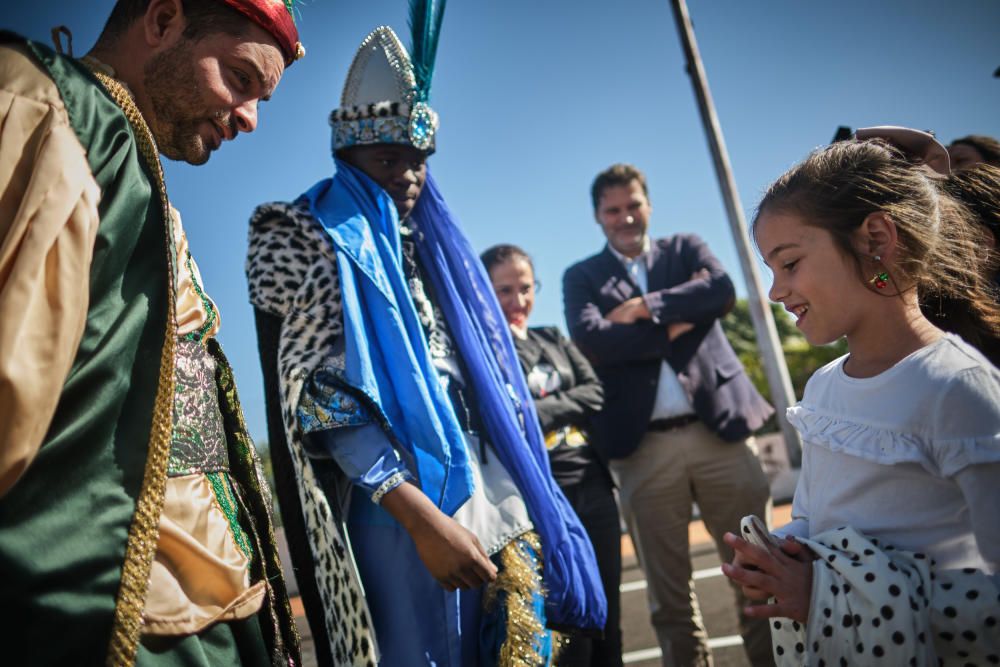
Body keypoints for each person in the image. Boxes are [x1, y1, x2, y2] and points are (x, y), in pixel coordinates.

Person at [246, 20, 606, 666]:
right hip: (396, 509)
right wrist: (419, 519)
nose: (409, 175)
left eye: (418, 160)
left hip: (485, 489)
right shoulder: (310, 232)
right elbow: (324, 400)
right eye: (389, 159)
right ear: (348, 157)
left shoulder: (433, 247)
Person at [0, 1, 304, 665]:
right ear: (163, 20)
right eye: (240, 78)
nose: (250, 118)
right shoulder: (41, 106)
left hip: (204, 618)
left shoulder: (137, 173)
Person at [723, 127, 1000, 665]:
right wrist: (782, 552)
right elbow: (814, 514)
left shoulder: (958, 388)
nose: (776, 291)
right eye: (770, 271)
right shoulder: (823, 385)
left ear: (876, 240)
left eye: (790, 263)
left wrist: (830, 598)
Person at [563, 163, 775, 667]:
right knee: (670, 600)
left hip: (720, 434)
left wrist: (643, 307)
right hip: (643, 450)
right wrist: (678, 322)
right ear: (598, 216)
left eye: (633, 205)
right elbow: (592, 339)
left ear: (648, 204)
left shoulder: (685, 248)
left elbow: (720, 291)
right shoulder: (581, 276)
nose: (625, 217)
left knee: (762, 577)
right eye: (613, 210)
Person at [482, 244, 623, 667]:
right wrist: (559, 402)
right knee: (566, 623)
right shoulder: (486, 351)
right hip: (541, 501)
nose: (518, 301)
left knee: (607, 614)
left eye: (525, 288)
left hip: (593, 487)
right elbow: (501, 418)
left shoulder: (553, 337)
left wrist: (532, 410)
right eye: (504, 290)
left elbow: (594, 391)